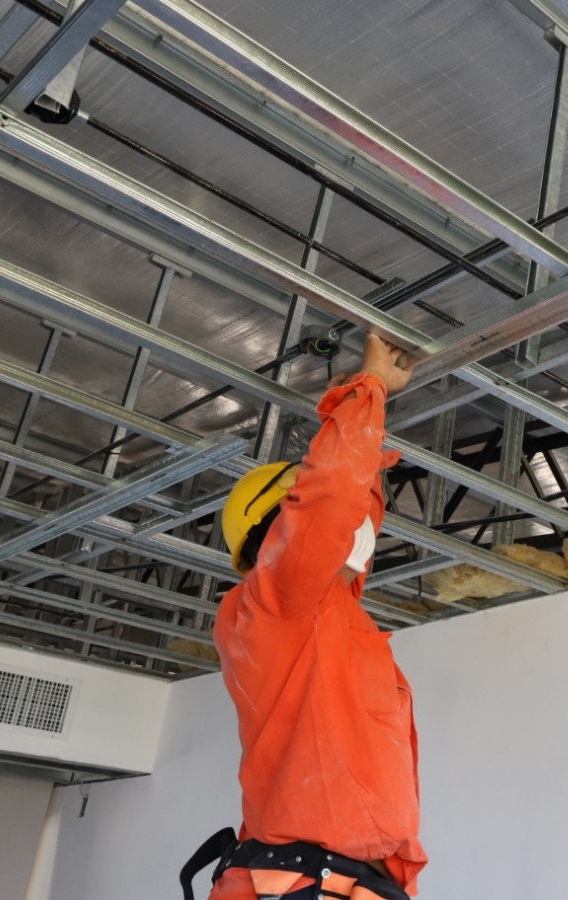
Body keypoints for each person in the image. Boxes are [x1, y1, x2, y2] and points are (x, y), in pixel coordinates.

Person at [181, 334, 425, 900]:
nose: (361, 528)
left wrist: (371, 438)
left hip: (329, 881)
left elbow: (344, 505)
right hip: (314, 882)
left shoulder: (317, 616)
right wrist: (369, 393)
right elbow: (331, 498)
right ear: (280, 532)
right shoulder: (281, 601)